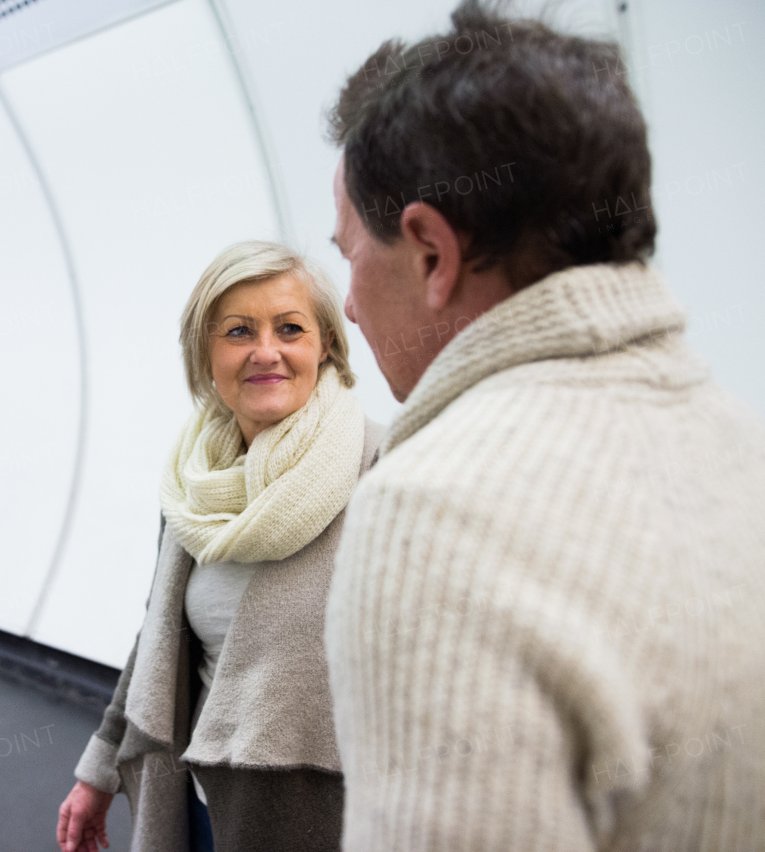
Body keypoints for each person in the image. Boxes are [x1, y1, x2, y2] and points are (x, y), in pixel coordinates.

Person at [322, 2, 765, 850]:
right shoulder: (745, 443)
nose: (346, 300)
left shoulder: (430, 515)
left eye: (349, 252)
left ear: (430, 253)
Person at [57, 240, 382, 851]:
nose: (267, 352)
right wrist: (98, 771)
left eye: (290, 328)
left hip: (329, 820)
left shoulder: (385, 471)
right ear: (205, 357)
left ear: (326, 346)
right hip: (198, 803)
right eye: (238, 332)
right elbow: (158, 634)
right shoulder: (191, 485)